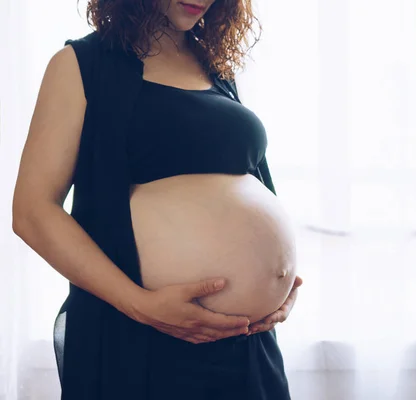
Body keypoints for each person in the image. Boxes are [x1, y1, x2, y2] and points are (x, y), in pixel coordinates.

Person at [11, 0, 303, 398]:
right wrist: (141, 306)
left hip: (247, 347)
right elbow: (32, 212)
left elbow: (250, 188)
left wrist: (282, 286)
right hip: (143, 342)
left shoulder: (214, 66)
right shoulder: (83, 64)